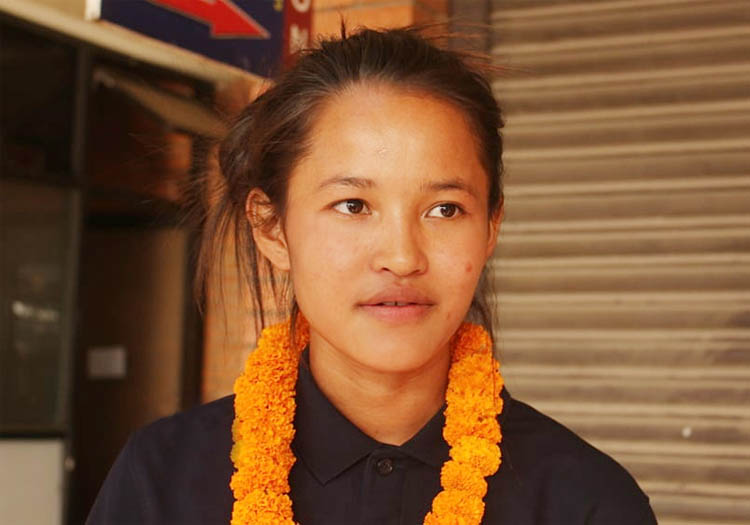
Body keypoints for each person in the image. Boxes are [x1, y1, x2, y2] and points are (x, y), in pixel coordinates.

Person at [87, 26, 657, 525]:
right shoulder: (160, 481)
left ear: (491, 228)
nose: (402, 257)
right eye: (353, 205)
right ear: (271, 228)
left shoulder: (586, 502)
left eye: (445, 209)